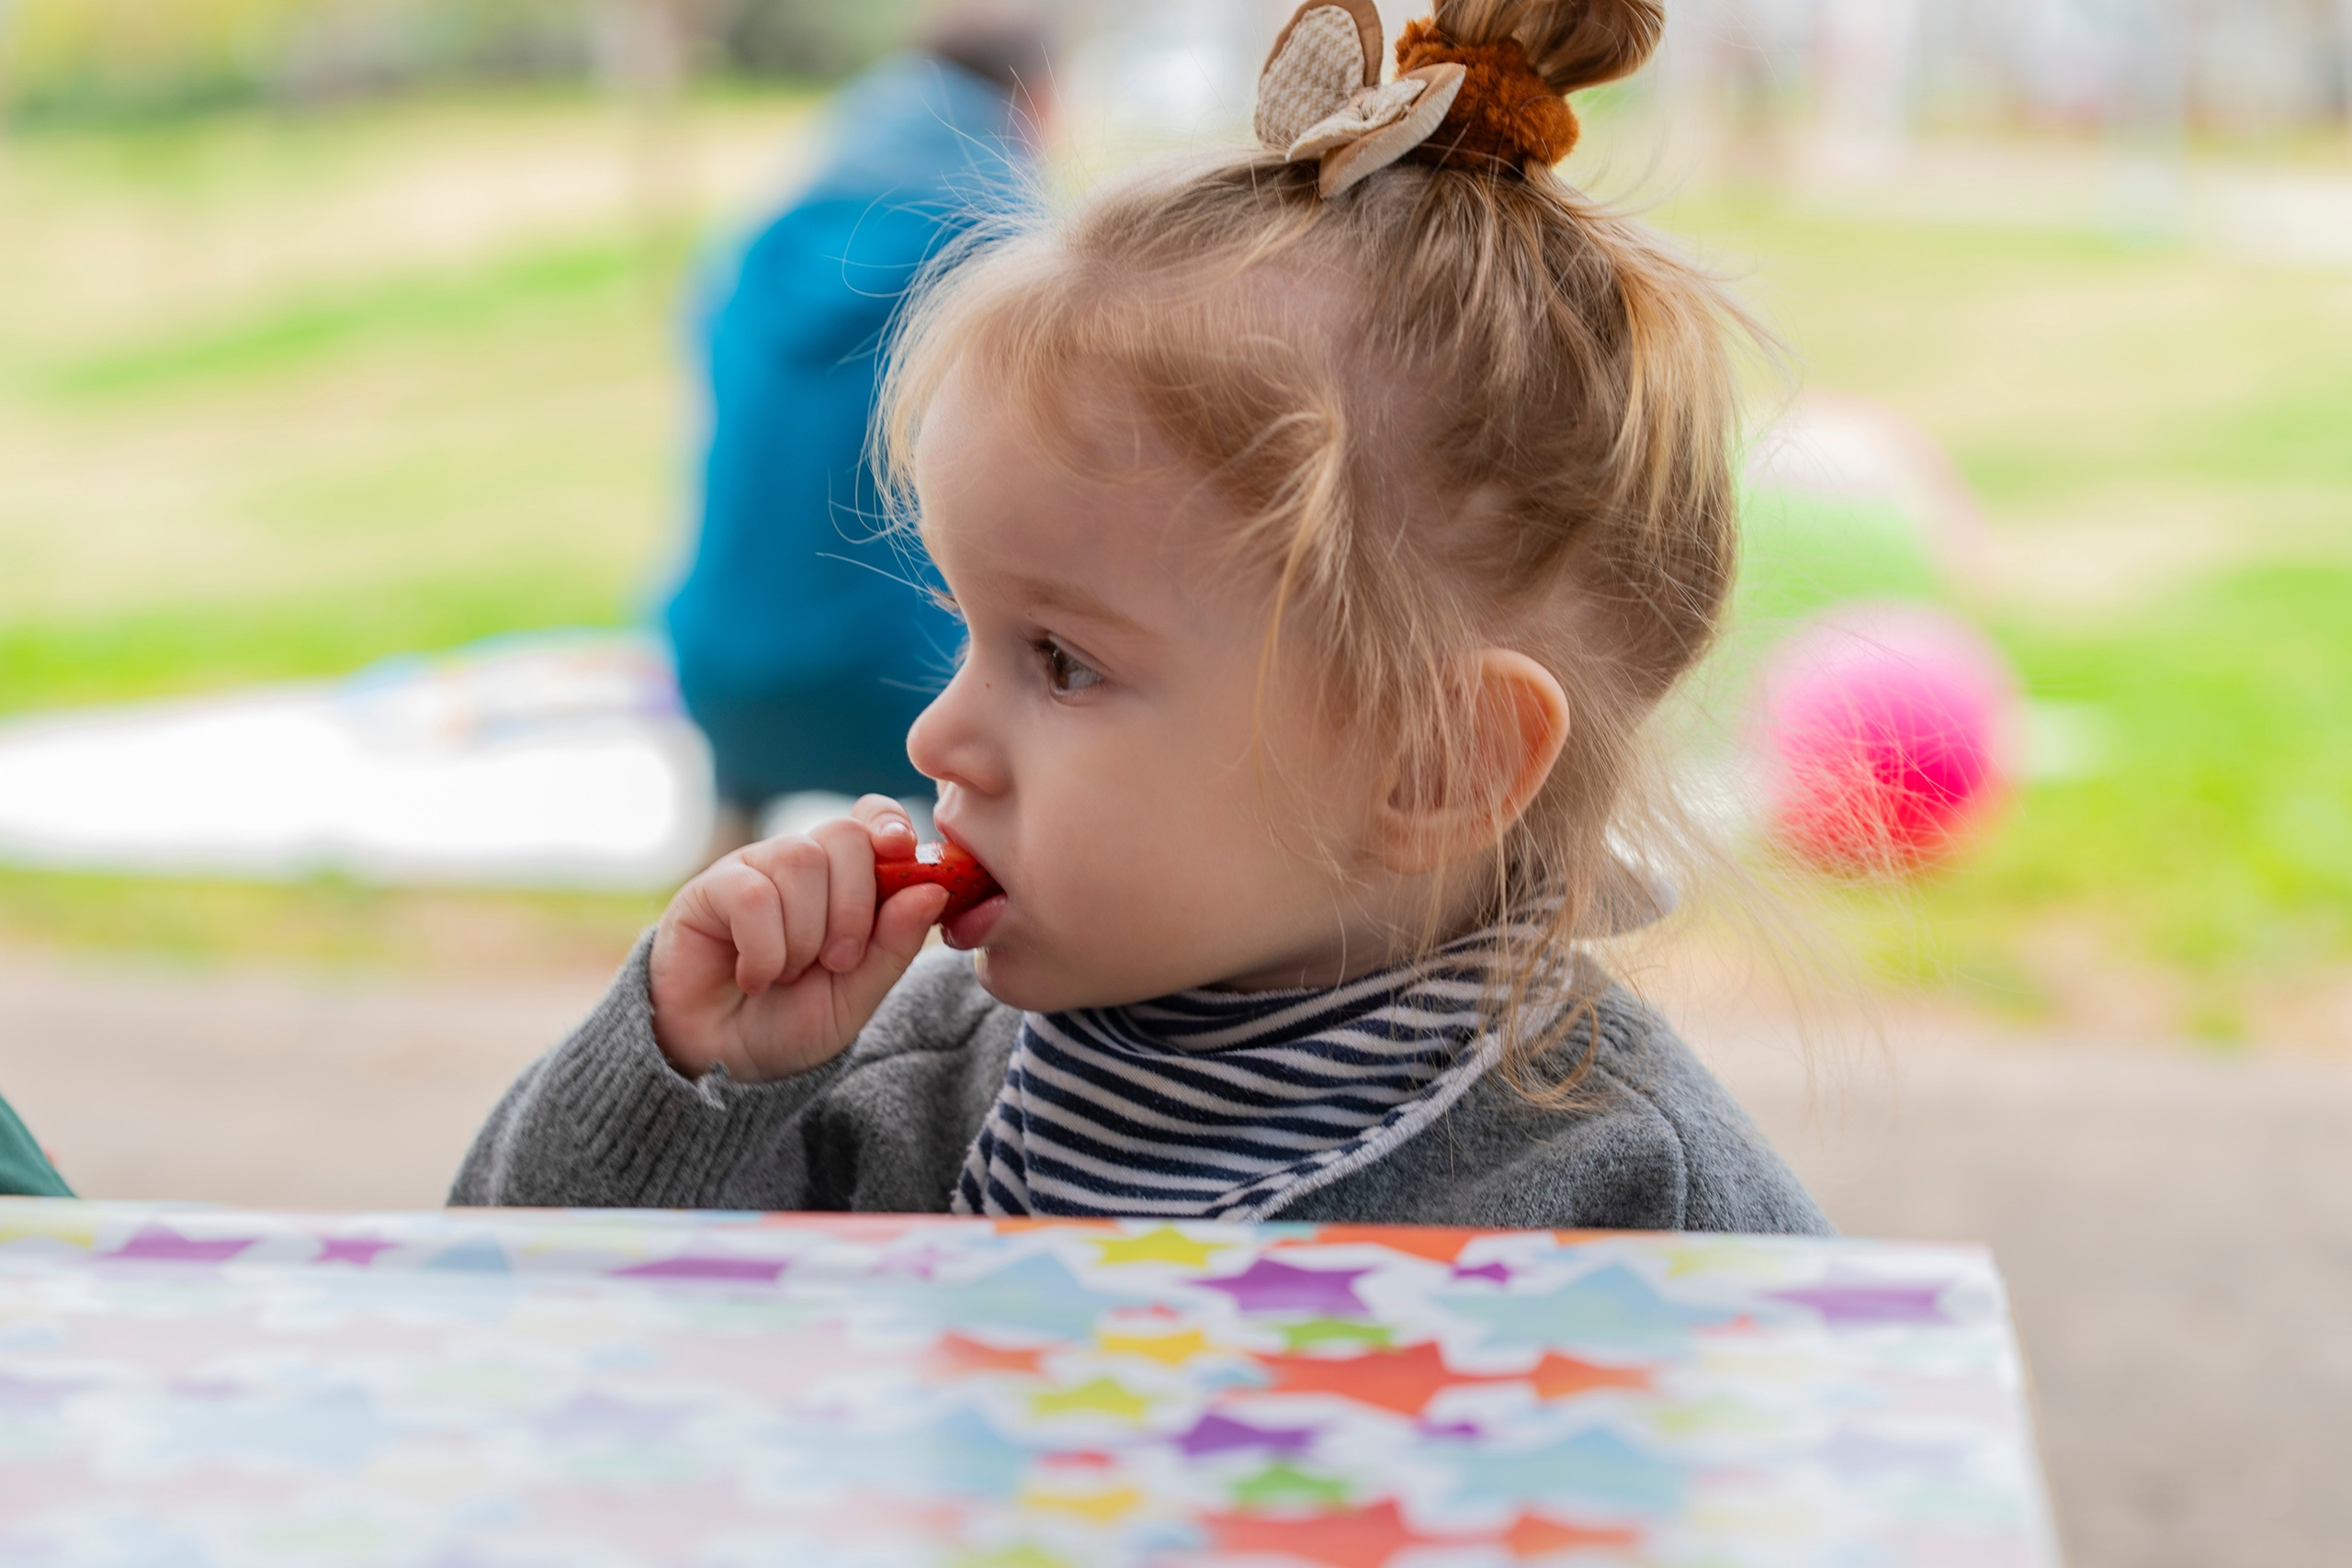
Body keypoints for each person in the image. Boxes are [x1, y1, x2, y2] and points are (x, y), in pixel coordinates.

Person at [457, 0, 1828, 1235]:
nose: (939, 735)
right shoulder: (885, 1084)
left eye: (1061, 660)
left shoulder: (1636, 1207)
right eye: (968, 627)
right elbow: (503, 1309)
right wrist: (686, 1075)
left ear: (1434, 761)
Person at [665, 4, 1054, 850]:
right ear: (1038, 101)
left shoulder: (766, 231)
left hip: (716, 669)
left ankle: (698, 925)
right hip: (901, 684)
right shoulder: (1002, 243)